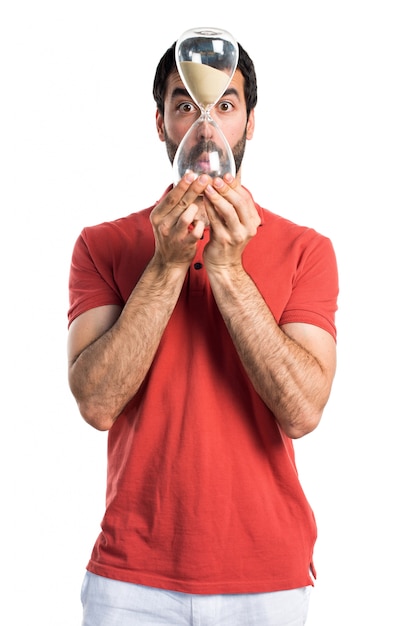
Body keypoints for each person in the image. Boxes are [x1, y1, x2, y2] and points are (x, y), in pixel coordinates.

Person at [67, 33, 338, 626]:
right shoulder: (103, 244)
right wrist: (165, 264)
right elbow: (96, 402)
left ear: (250, 122)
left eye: (224, 106)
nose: (206, 126)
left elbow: (302, 412)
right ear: (161, 121)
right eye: (186, 105)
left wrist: (228, 269)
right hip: (132, 573)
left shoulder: (306, 249)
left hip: (265, 575)